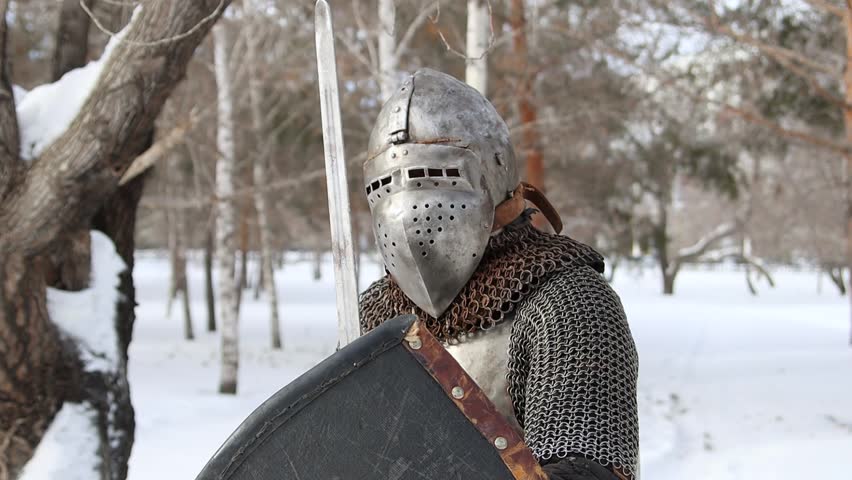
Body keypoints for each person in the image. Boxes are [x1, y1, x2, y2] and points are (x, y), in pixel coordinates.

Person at [358, 69, 639, 480]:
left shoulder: (569, 303)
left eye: (435, 175)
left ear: (496, 172)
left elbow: (586, 470)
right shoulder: (376, 312)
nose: (407, 211)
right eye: (386, 186)